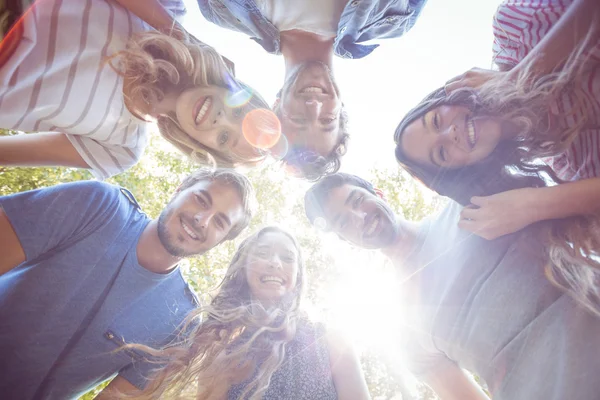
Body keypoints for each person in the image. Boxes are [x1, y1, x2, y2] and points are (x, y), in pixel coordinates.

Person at [304, 172, 600, 400]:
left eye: (357, 200)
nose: (359, 217)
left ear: (379, 193)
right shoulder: (404, 326)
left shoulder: (466, 207)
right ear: (346, 240)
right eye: (343, 223)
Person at [0, 168, 255, 399]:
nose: (202, 219)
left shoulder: (181, 323)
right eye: (201, 199)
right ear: (178, 190)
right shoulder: (99, 205)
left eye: (220, 222)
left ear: (222, 240)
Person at [393, 0, 600, 240]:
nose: (450, 135)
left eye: (437, 121)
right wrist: (532, 205)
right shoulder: (572, 166)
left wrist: (519, 78)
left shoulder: (513, 30)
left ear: (447, 98)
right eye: (442, 153)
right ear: (468, 170)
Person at [0, 0, 271, 180]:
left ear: (205, 149)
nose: (219, 120)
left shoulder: (123, 149)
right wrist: (182, 37)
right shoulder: (171, 11)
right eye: (238, 114)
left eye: (224, 138)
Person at [101, 226, 370, 400]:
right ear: (244, 267)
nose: (276, 263)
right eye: (264, 254)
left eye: (287, 258)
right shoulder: (221, 348)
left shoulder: (331, 340)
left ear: (297, 276)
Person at [197, 0, 429, 180]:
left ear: (275, 106)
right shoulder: (392, 19)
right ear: (341, 108)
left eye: (298, 119)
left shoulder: (222, 11)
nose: (314, 105)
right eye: (328, 119)